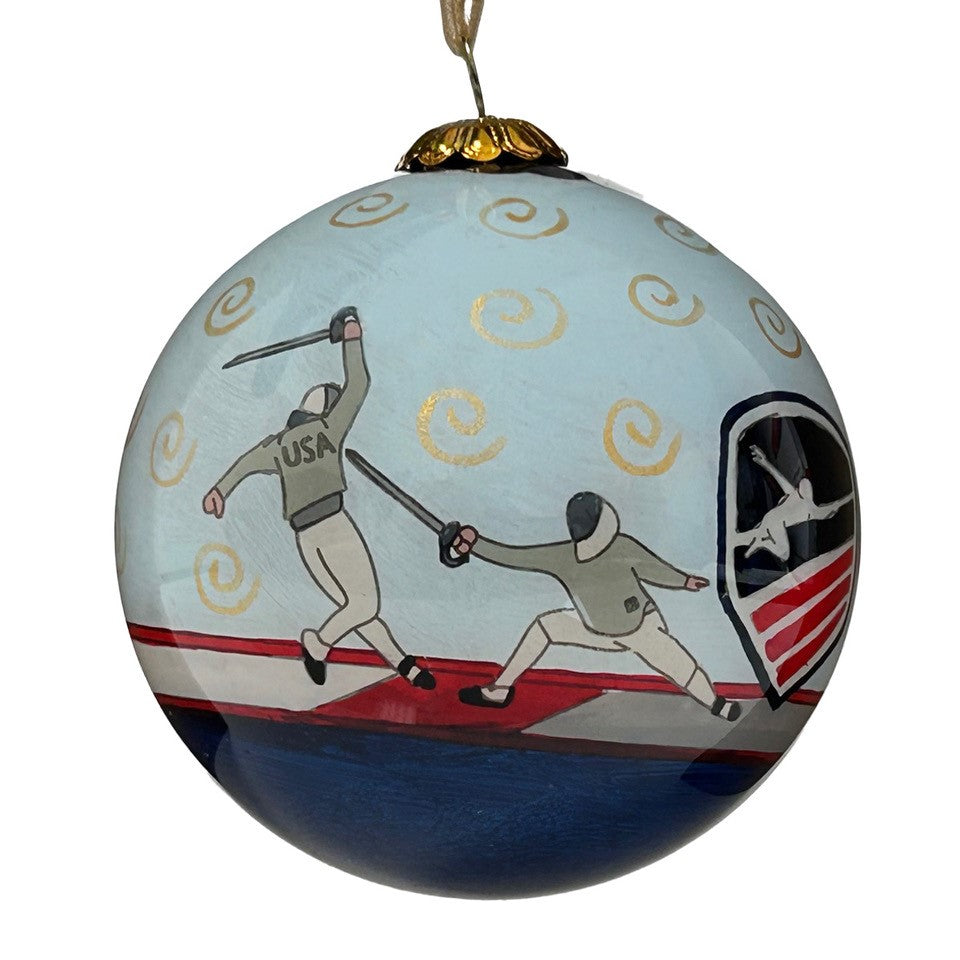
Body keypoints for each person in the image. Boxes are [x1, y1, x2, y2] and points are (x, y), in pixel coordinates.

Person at [202, 306, 435, 690]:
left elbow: (246, 462)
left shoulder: (279, 444)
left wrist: (219, 490)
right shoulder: (329, 427)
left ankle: (405, 666)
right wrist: (352, 341)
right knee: (363, 604)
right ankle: (318, 643)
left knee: (356, 607)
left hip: (305, 537)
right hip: (334, 527)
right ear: (327, 408)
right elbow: (358, 384)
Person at [448, 491, 740, 719]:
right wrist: (475, 544)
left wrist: (684, 580)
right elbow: (514, 556)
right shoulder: (563, 556)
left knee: (677, 663)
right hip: (595, 629)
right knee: (545, 626)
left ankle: (717, 704)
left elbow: (653, 567)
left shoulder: (622, 546)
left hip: (640, 627)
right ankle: (500, 690)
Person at [739, 444, 853, 561]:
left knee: (777, 551)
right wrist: (765, 462)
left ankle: (757, 543)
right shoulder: (800, 499)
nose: (803, 482)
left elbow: (835, 506)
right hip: (773, 522)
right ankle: (760, 543)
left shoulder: (800, 499)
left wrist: (765, 462)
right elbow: (779, 477)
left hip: (770, 521)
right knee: (784, 554)